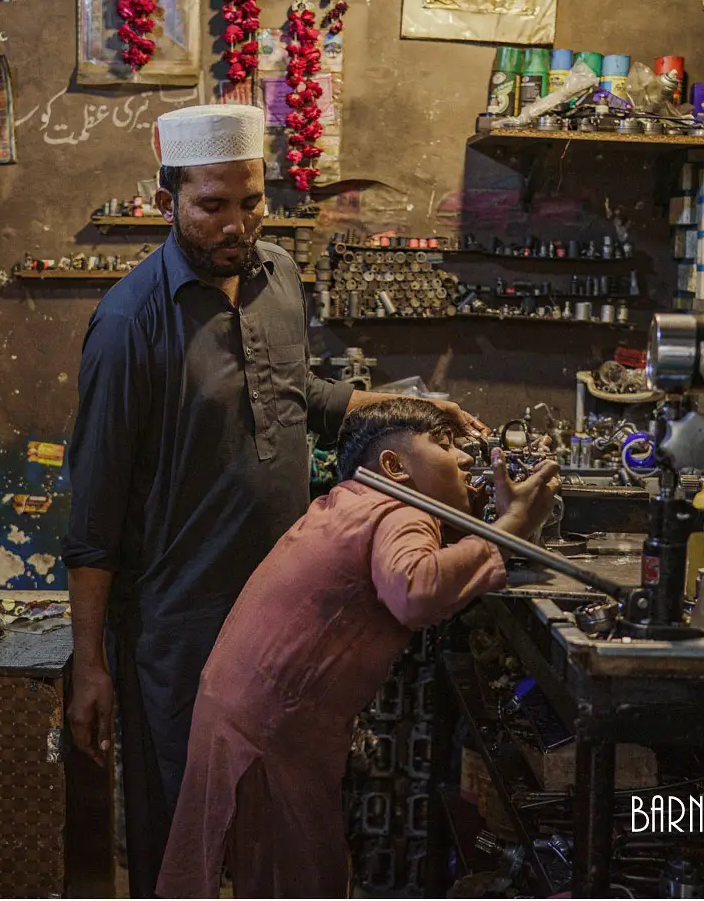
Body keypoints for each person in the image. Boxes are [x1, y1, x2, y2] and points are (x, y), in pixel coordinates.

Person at [60, 104, 488, 896]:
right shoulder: (130, 324)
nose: (237, 222)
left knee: (277, 830)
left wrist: (407, 406)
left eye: (251, 201)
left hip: (282, 615)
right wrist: (90, 664)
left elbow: (300, 396)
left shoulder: (280, 278)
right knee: (184, 831)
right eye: (212, 204)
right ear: (167, 203)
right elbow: (91, 520)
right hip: (177, 625)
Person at [157, 398, 561, 897]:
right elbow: (415, 590)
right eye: (443, 443)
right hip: (271, 727)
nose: (462, 459)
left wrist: (498, 520)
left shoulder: (350, 500)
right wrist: (514, 525)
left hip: (243, 708)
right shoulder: (399, 511)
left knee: (277, 870)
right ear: (393, 467)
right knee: (301, 880)